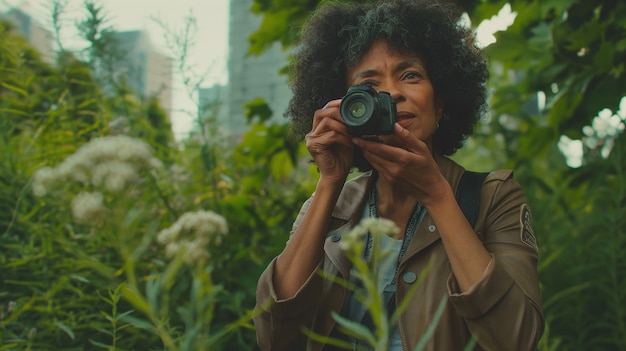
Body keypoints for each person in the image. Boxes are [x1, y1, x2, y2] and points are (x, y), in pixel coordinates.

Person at [253, 0, 544, 350]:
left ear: (440, 104)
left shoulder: (494, 197)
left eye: (410, 75)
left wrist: (437, 195)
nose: (392, 93)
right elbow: (273, 338)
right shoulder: (331, 205)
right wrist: (329, 181)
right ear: (346, 109)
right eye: (369, 85)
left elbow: (518, 338)